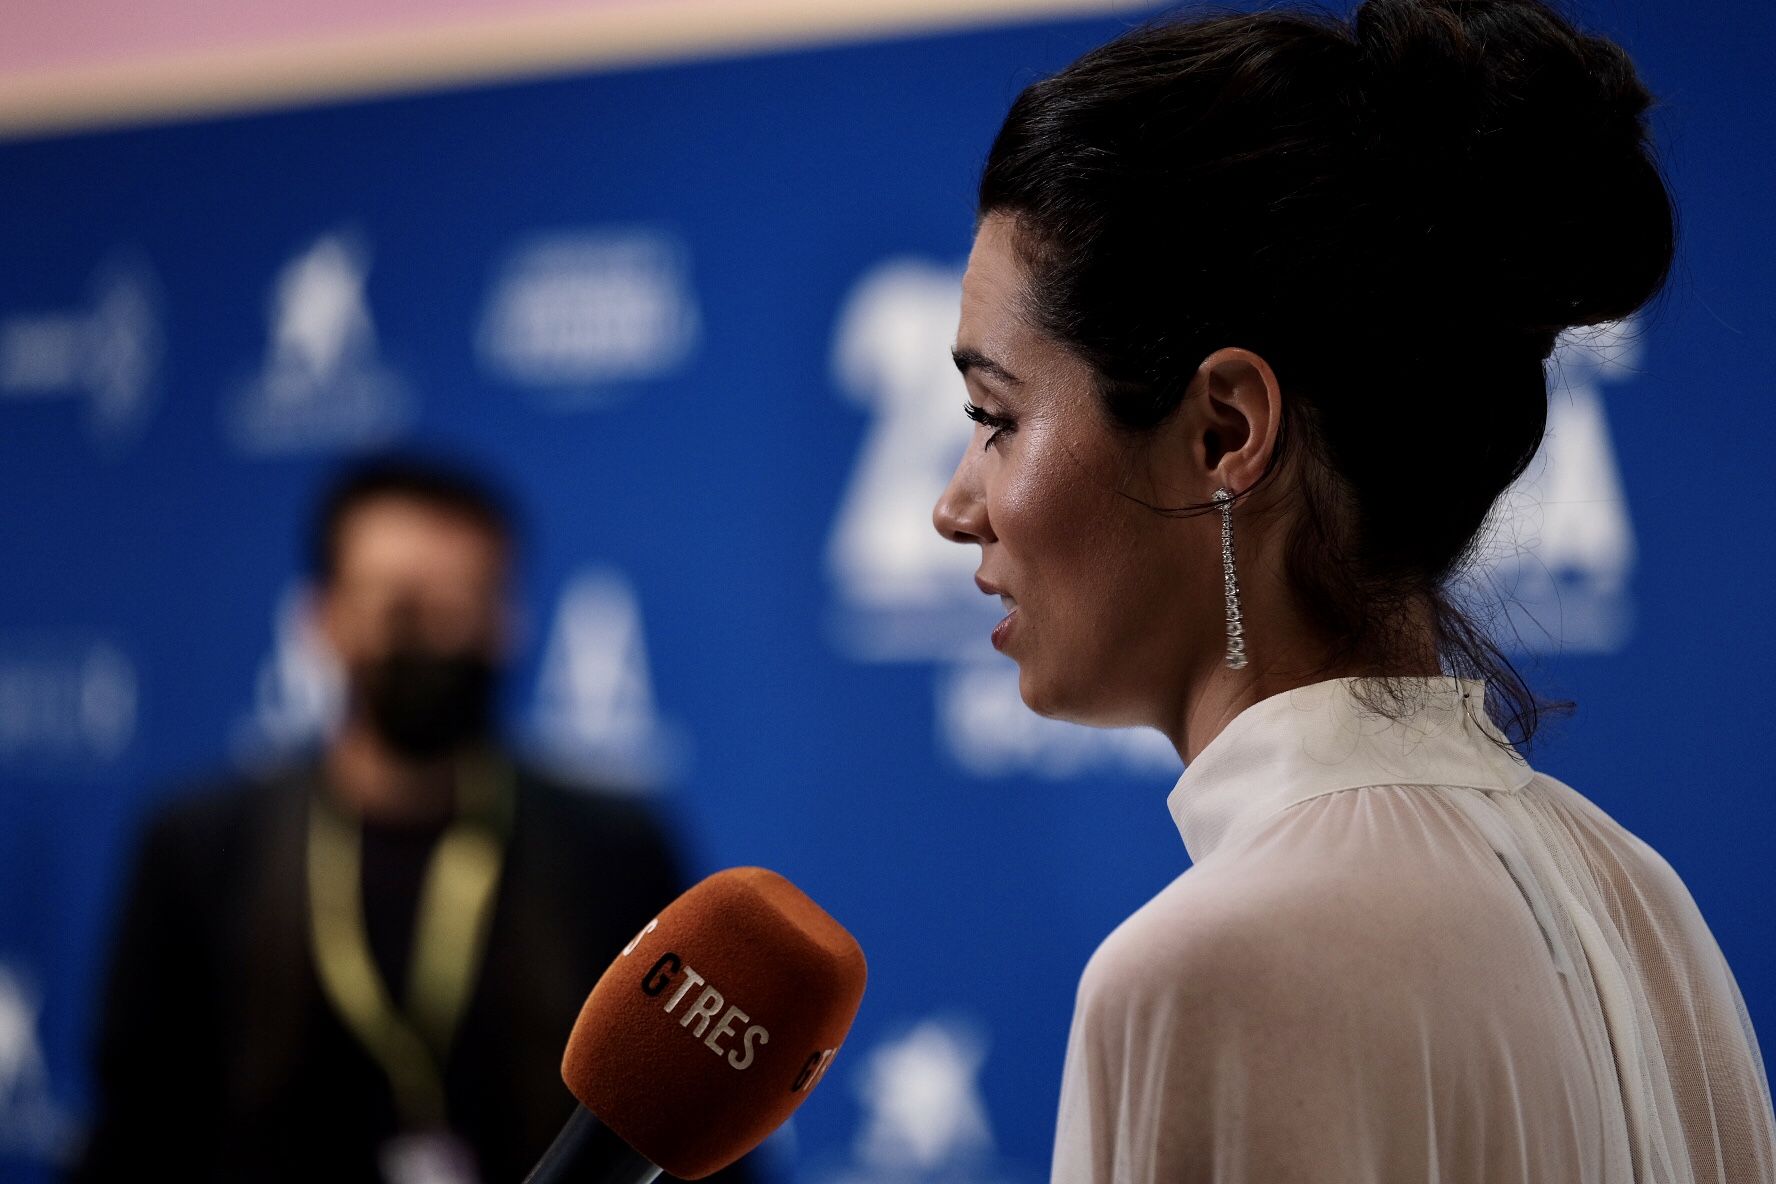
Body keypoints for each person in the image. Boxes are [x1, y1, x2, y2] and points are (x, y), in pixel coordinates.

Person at [932, 1, 1776, 1181]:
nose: (954, 504)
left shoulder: (1200, 970)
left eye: (994, 419)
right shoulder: (1648, 903)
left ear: (1226, 428)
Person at [71, 456, 757, 1184]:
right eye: (396, 608)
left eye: (460, 606)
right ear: (322, 620)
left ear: (509, 621)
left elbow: (694, 1130)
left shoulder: (612, 847)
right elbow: (136, 1132)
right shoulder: (200, 848)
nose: (430, 640)